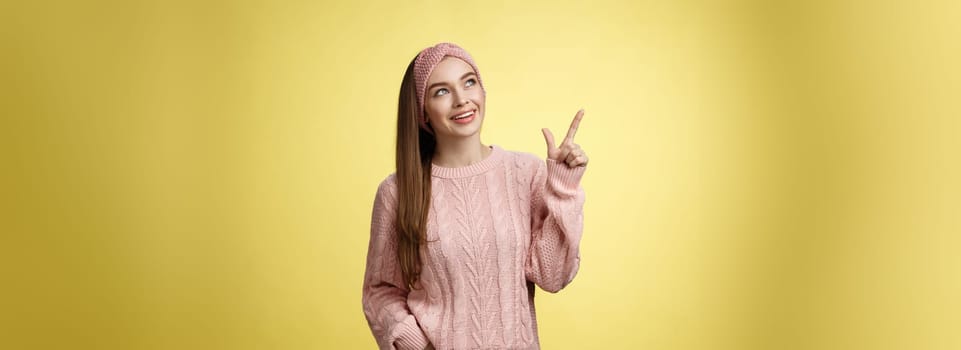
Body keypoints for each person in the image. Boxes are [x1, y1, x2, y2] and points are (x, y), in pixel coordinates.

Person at [362, 42, 589, 350]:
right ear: (422, 111)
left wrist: (563, 186)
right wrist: (418, 345)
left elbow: (552, 276)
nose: (461, 100)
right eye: (441, 91)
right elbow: (380, 292)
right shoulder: (397, 192)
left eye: (469, 82)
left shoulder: (526, 173)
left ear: (482, 91)